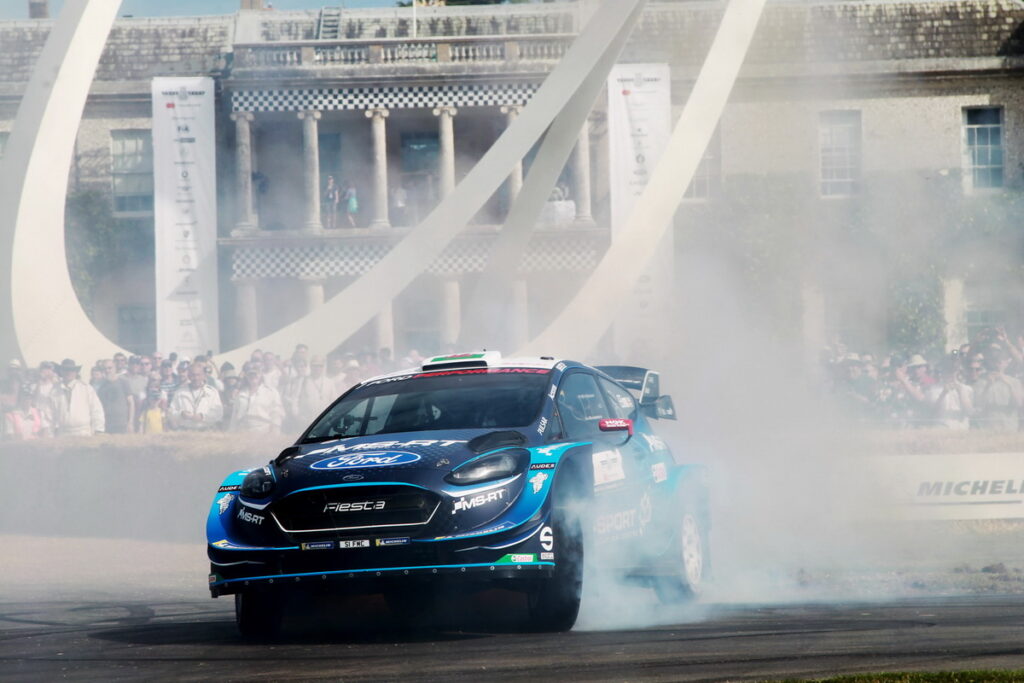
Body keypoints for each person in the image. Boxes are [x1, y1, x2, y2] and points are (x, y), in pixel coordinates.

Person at [973, 348, 1024, 431]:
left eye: (1000, 362)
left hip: (1009, 425)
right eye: (995, 361)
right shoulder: (981, 381)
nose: (997, 364)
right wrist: (988, 385)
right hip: (989, 426)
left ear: (1006, 363)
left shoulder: (1015, 382)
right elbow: (978, 404)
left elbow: (1019, 404)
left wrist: (1009, 384)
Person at [55, 358, 105, 436]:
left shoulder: (86, 388)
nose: (69, 372)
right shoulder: (54, 390)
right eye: (66, 370)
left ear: (76, 372)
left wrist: (98, 429)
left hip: (83, 432)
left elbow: (96, 409)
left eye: (72, 370)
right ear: (61, 371)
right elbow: (49, 414)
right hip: (62, 433)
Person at [230, 362, 284, 433]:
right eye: (250, 374)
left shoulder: (271, 392)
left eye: (255, 374)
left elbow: (277, 413)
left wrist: (275, 431)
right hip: (242, 431)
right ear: (246, 376)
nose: (253, 376)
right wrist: (231, 433)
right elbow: (234, 416)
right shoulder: (240, 394)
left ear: (261, 375)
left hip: (263, 431)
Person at [167, 363, 223, 431]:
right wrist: (181, 414)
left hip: (206, 432)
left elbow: (218, 413)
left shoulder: (212, 392)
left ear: (203, 376)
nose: (196, 378)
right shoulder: (180, 392)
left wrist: (202, 417)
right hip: (185, 432)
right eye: (193, 375)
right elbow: (171, 413)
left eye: (198, 375)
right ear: (189, 376)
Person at [927, 356, 974, 430]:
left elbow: (970, 412)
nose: (950, 374)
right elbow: (932, 413)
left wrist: (960, 393)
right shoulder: (934, 389)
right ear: (942, 371)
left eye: (953, 370)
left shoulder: (967, 389)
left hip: (962, 430)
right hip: (941, 429)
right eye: (947, 370)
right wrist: (943, 393)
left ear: (957, 372)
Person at [96, 358, 135, 434]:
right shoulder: (101, 387)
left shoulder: (123, 382)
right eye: (105, 369)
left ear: (115, 368)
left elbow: (131, 403)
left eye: (110, 368)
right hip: (108, 425)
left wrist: (130, 422)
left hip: (123, 424)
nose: (107, 371)